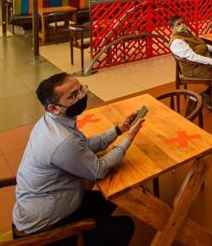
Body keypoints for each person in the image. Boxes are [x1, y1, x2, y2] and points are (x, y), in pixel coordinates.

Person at [12, 73, 143, 245]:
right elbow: (99, 169)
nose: (81, 96)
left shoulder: (50, 122)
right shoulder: (62, 140)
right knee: (125, 226)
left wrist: (118, 129)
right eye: (73, 96)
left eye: (80, 89)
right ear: (54, 108)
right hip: (41, 230)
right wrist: (129, 139)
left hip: (44, 203)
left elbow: (83, 145)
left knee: (111, 201)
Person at [168, 16, 212, 106]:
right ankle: (207, 97)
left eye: (182, 22)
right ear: (172, 28)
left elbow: (200, 44)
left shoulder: (185, 34)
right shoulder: (177, 42)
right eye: (178, 24)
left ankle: (209, 96)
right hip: (192, 69)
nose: (182, 25)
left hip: (199, 64)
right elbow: (192, 57)